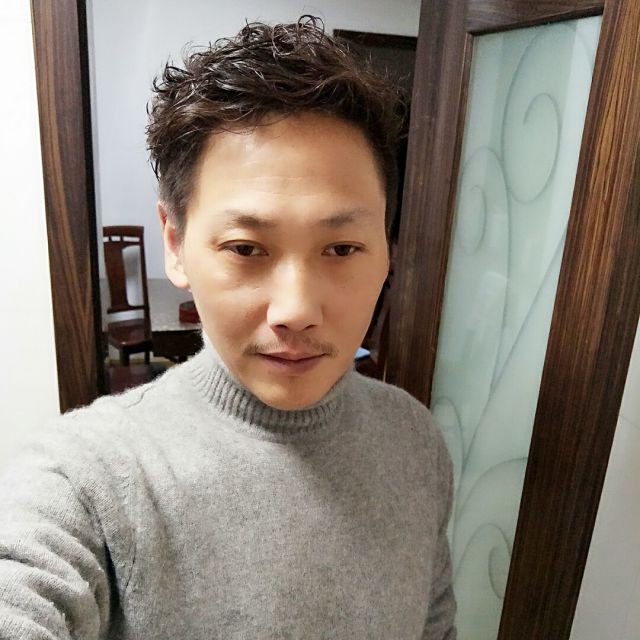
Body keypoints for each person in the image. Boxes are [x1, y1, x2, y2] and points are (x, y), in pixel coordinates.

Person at [0, 16, 456, 639]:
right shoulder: (86, 477)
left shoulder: (414, 441)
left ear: (387, 249)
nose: (296, 309)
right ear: (176, 243)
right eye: (246, 248)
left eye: (342, 248)